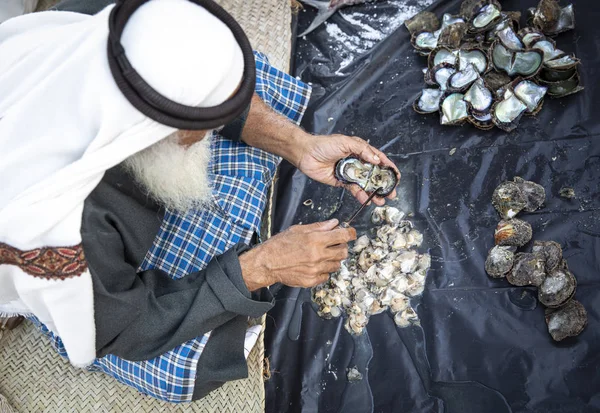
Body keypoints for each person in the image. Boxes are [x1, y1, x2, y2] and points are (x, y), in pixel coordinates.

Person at [0, 0, 399, 402]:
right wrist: (262, 265)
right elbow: (124, 328)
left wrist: (299, 145)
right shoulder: (57, 229)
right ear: (141, 132)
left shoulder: (108, 23)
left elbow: (193, 89)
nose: (206, 139)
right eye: (197, 132)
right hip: (89, 289)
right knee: (183, 369)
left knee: (231, 71)